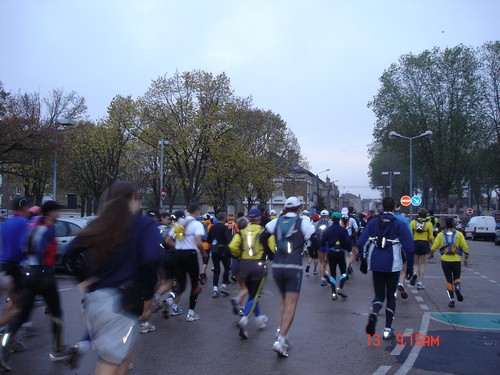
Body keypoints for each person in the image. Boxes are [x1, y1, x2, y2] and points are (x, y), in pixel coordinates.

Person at [64, 181, 162, 375]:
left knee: (124, 354)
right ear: (134, 197)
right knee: (109, 361)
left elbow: (69, 254)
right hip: (123, 302)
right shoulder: (143, 225)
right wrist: (147, 296)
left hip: (96, 300)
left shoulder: (100, 224)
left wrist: (83, 279)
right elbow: (150, 259)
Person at [0, 200, 68, 371]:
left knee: (21, 316)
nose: (58, 215)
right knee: (57, 313)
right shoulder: (48, 227)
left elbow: (24, 248)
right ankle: (58, 348)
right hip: (44, 275)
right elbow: (46, 251)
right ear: (51, 213)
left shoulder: (31, 224)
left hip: (27, 273)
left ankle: (3, 348)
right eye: (56, 211)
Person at [262, 197, 316, 357]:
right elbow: (315, 241)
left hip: (278, 266)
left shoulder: (275, 222)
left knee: (284, 300)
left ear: (285, 209)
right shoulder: (303, 222)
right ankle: (281, 339)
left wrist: (270, 254)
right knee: (291, 304)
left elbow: (262, 237)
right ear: (299, 208)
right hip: (293, 266)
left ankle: (281, 331)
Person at [358, 197, 414, 340]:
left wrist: (363, 260)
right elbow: (409, 247)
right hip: (393, 264)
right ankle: (387, 330)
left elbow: (361, 242)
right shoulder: (399, 224)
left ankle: (374, 313)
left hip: (376, 263)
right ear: (395, 208)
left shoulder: (372, 223)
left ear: (382, 206)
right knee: (391, 297)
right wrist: (410, 267)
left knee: (378, 296)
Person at [229, 208, 270, 339]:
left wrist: (239, 254)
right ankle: (244, 319)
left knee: (252, 293)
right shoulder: (264, 231)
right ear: (259, 218)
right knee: (255, 294)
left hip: (245, 264)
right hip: (258, 264)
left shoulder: (241, 232)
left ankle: (259, 319)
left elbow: (232, 247)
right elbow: (272, 246)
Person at [165, 203, 208, 321]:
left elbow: (168, 240)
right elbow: (199, 243)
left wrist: (178, 247)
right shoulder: (196, 224)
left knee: (181, 283)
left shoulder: (178, 223)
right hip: (191, 255)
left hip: (178, 255)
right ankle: (190, 313)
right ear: (197, 211)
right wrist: (204, 253)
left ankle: (169, 300)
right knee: (195, 284)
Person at [430, 217, 469, 307]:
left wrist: (431, 252)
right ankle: (457, 287)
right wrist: (466, 256)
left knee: (448, 280)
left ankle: (451, 299)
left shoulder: (440, 235)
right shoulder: (459, 234)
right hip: (456, 260)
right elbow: (465, 246)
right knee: (456, 278)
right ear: (453, 224)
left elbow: (435, 245)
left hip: (445, 260)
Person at [322, 212, 351, 300]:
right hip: (340, 252)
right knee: (343, 272)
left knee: (333, 273)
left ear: (331, 219)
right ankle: (341, 288)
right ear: (339, 219)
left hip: (331, 252)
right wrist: (349, 250)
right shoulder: (343, 230)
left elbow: (322, 242)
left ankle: (333, 293)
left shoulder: (327, 230)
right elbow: (348, 242)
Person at [206, 212, 232, 297]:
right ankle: (224, 285)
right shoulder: (225, 228)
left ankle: (215, 289)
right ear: (224, 219)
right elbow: (229, 240)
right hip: (223, 250)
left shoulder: (213, 228)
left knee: (216, 269)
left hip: (214, 250)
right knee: (227, 267)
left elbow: (208, 240)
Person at [409, 208, 434, 290]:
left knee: (415, 263)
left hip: (415, 243)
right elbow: (430, 237)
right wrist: (432, 245)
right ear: (426, 215)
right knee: (422, 264)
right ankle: (420, 282)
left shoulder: (413, 222)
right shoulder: (429, 224)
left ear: (418, 215)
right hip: (424, 243)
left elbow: (409, 233)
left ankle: (415, 273)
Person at [340, 207, 359, 275]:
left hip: (342, 239)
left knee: (345, 255)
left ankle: (347, 266)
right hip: (351, 238)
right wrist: (354, 235)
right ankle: (348, 266)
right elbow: (357, 230)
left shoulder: (340, 220)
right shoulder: (353, 219)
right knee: (351, 254)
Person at [315, 210, 331, 285]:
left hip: (320, 244)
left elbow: (315, 233)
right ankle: (327, 272)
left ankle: (322, 278)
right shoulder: (330, 223)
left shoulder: (317, 223)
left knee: (321, 262)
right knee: (328, 261)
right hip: (328, 244)